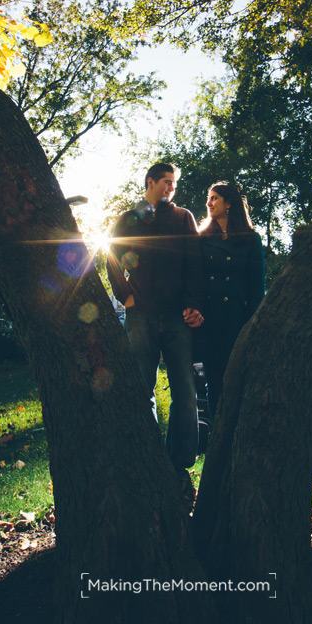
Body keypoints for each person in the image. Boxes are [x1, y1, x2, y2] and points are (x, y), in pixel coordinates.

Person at [107, 162, 204, 500]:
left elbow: (195, 261)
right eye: (165, 182)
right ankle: (145, 460)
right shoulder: (129, 217)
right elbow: (112, 253)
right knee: (140, 390)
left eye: (173, 183)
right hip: (141, 315)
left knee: (186, 392)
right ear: (150, 182)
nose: (170, 188)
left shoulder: (183, 218)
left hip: (178, 317)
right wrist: (126, 295)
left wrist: (193, 303)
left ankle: (178, 465)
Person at [198, 181, 265, 419]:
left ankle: (236, 433)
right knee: (213, 381)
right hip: (210, 320)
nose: (209, 203)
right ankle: (217, 435)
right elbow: (196, 279)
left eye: (214, 198)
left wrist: (254, 325)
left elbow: (257, 286)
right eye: (209, 198)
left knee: (237, 379)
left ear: (229, 203)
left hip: (238, 320)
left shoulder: (250, 239)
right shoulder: (202, 239)